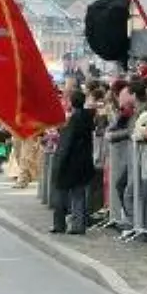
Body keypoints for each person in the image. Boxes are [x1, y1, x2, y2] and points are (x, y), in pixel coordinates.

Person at [51, 90, 98, 234]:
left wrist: (59, 162)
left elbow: (66, 144)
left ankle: (59, 224)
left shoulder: (73, 121)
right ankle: (78, 225)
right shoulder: (87, 118)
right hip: (83, 162)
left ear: (71, 102)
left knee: (60, 194)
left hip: (69, 162)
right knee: (78, 195)